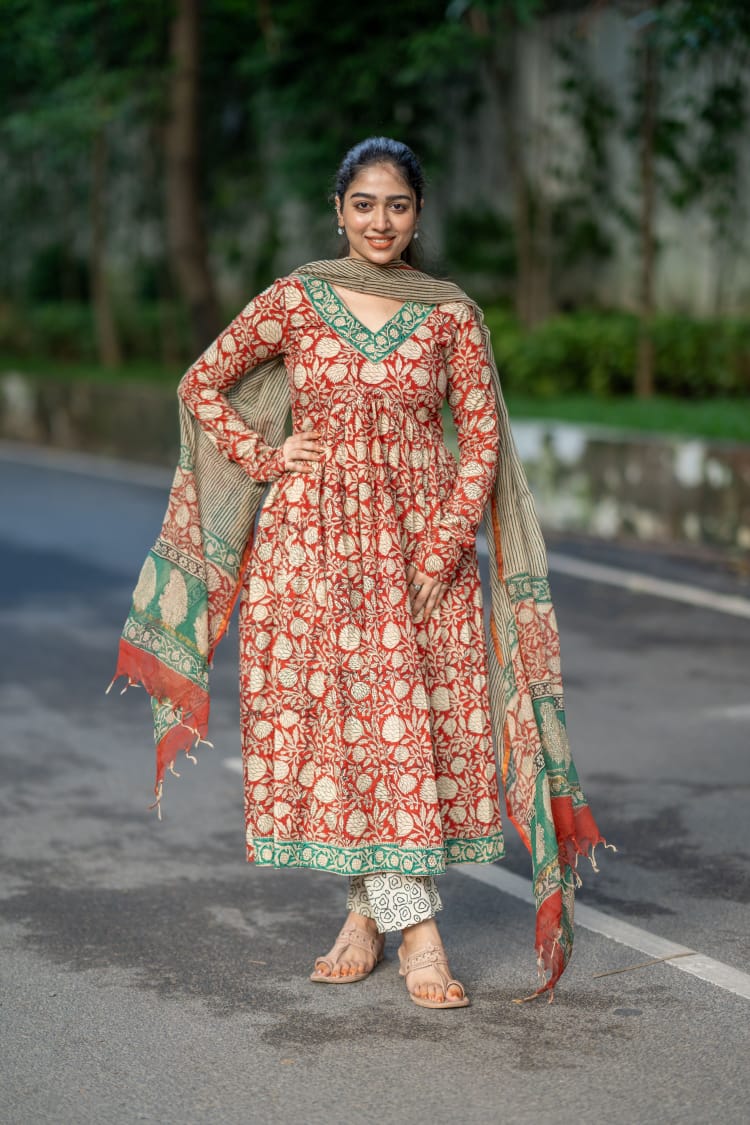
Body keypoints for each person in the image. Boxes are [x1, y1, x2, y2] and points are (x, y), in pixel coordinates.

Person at [112, 137, 607, 1008]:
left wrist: (448, 544)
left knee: (404, 732)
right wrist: (263, 455)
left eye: (399, 205)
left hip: (423, 549)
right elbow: (201, 383)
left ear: (420, 214)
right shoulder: (298, 298)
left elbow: (482, 439)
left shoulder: (451, 313)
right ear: (337, 209)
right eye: (366, 204)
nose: (382, 221)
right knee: (351, 731)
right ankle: (416, 930)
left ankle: (367, 919)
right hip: (312, 549)